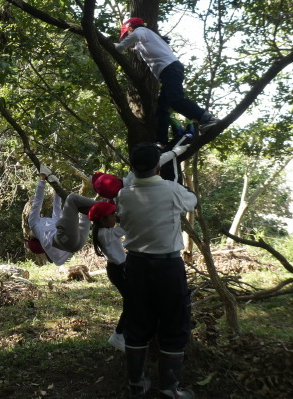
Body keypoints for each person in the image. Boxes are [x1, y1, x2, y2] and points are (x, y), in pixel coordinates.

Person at [116, 142, 198, 399]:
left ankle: (136, 384)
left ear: (132, 167)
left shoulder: (123, 194)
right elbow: (192, 201)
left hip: (136, 266)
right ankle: (169, 388)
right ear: (158, 167)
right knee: (174, 324)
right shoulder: (172, 190)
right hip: (168, 266)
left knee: (137, 322)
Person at [115, 16, 219, 147]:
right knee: (162, 108)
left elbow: (134, 37)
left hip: (170, 69)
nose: (126, 38)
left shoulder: (142, 31)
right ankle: (161, 142)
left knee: (176, 101)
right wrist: (118, 46)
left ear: (131, 29)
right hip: (169, 71)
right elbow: (135, 49)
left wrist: (120, 47)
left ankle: (207, 118)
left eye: (126, 34)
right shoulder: (146, 41)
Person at [26, 167, 98, 265]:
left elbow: (57, 210)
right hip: (62, 239)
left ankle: (109, 211)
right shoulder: (33, 224)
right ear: (32, 238)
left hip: (77, 244)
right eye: (28, 236)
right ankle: (104, 205)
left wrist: (57, 189)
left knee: (87, 211)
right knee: (72, 199)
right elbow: (37, 202)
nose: (29, 233)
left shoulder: (46, 233)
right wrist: (42, 179)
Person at [89, 198, 127, 352]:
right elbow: (125, 227)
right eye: (112, 215)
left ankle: (123, 333)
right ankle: (118, 335)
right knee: (131, 303)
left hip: (119, 269)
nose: (115, 217)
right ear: (103, 220)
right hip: (118, 270)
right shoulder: (105, 234)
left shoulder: (104, 230)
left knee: (131, 301)